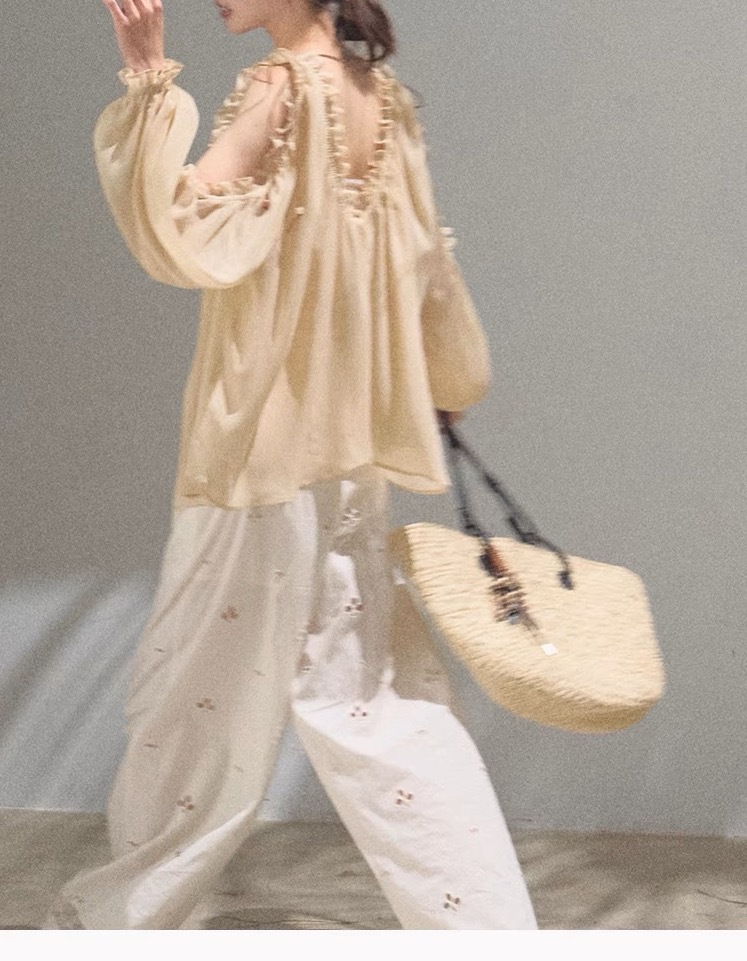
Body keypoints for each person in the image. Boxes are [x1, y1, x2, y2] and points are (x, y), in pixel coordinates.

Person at [46, 0, 538, 930]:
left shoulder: (279, 88)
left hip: (257, 455)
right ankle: (487, 927)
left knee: (191, 706)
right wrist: (442, 376)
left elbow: (179, 230)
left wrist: (147, 74)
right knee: (371, 706)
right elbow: (426, 264)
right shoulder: (381, 95)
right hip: (347, 456)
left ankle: (114, 926)